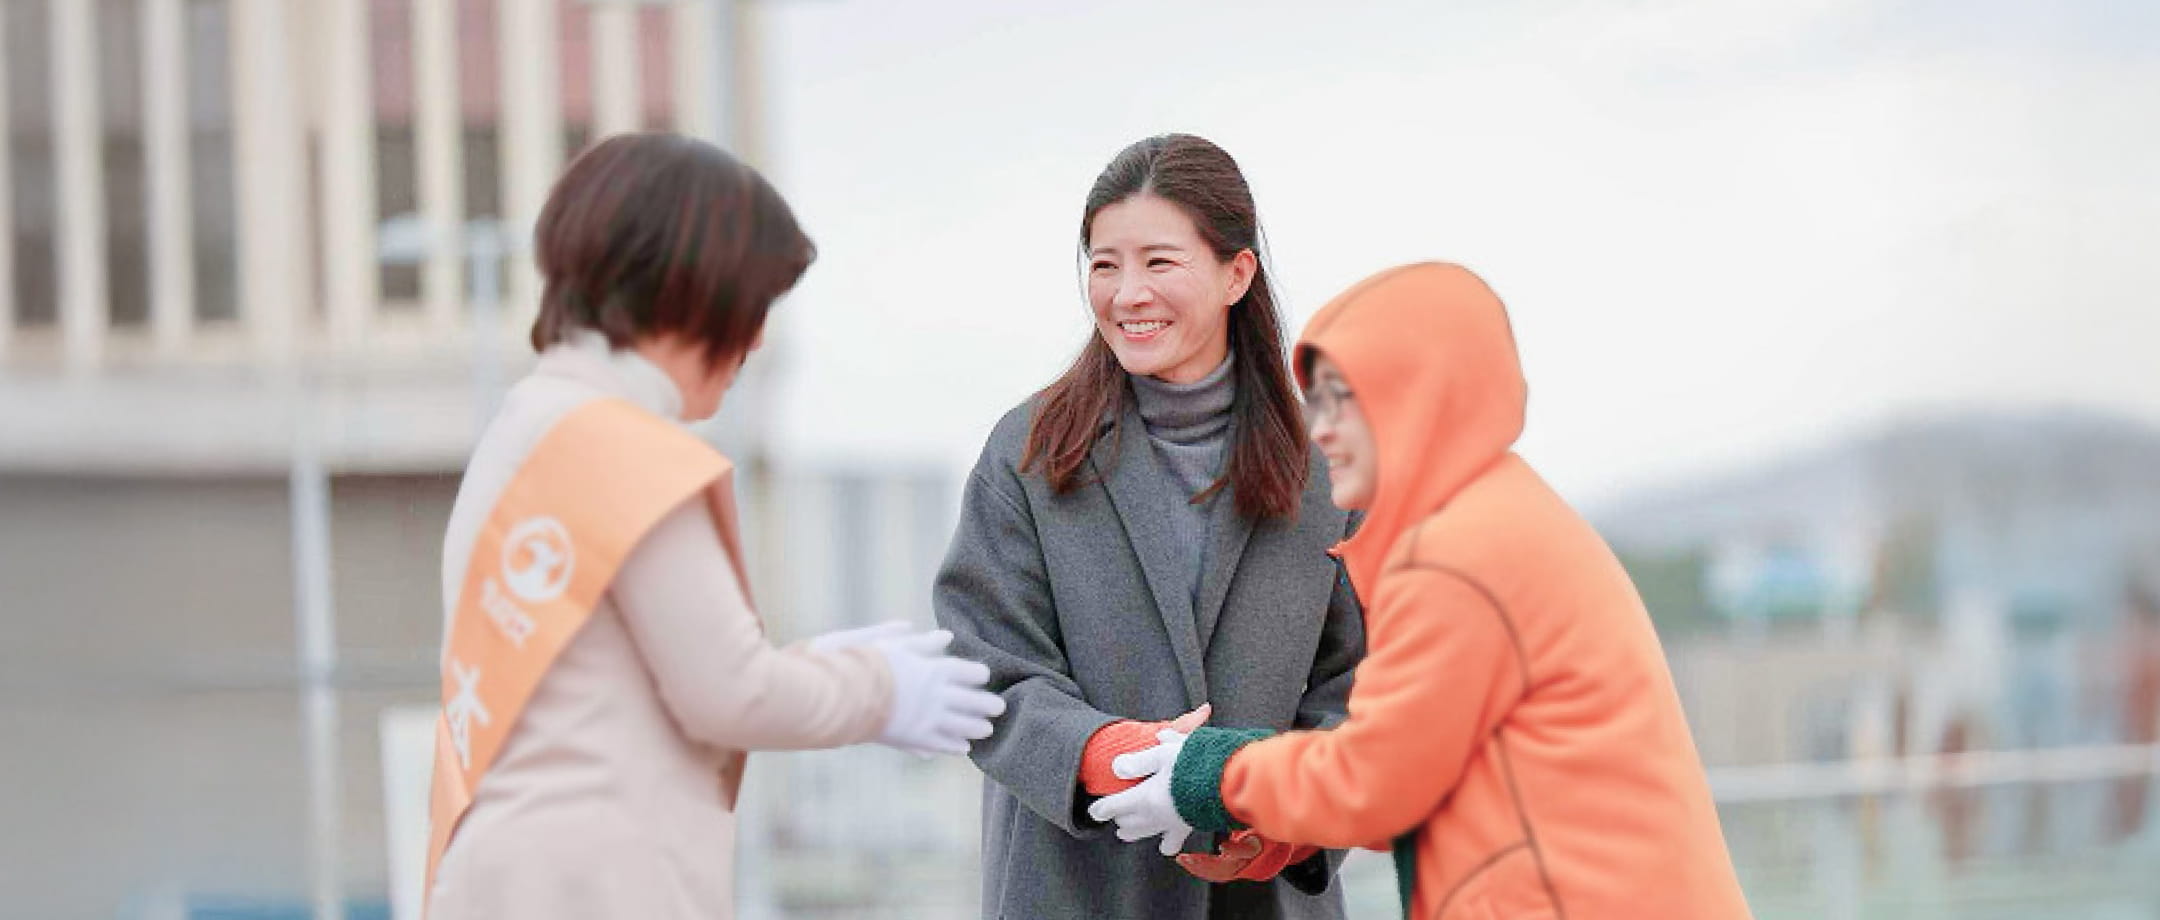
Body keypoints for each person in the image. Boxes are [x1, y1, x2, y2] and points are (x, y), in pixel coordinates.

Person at [424, 133, 1003, 920]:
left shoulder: (530, 427)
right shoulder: (624, 448)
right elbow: (727, 693)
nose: (757, 338)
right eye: (753, 302)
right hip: (598, 886)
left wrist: (805, 666)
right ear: (689, 291)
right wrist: (882, 689)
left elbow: (610, 687)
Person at [1093, 262, 1754, 919]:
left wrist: (1209, 772)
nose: (1319, 430)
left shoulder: (1455, 555)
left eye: (1342, 398)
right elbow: (1421, 772)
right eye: (1314, 401)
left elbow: (1377, 780)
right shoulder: (1502, 516)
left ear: (1416, 397)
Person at [933, 133, 1366, 920]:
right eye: (1104, 264)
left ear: (1238, 273)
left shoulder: (1329, 466)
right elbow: (983, 667)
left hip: (1262, 899)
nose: (1127, 292)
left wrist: (1276, 824)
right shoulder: (1029, 450)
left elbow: (1360, 687)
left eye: (1159, 262)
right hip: (1071, 891)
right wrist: (1111, 758)